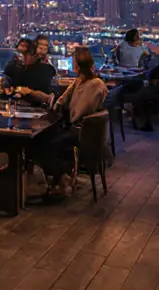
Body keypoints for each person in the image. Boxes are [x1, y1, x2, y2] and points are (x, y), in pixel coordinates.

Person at [36, 47, 109, 193]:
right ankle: (59, 178)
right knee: (40, 138)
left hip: (82, 133)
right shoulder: (81, 81)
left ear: (78, 64)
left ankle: (61, 176)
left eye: (73, 61)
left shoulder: (94, 85)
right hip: (76, 128)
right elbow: (61, 102)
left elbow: (78, 112)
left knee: (43, 144)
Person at [2, 38, 57, 104]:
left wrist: (28, 92)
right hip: (16, 104)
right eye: (19, 53)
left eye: (25, 54)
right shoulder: (14, 66)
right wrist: (6, 86)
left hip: (37, 106)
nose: (21, 57)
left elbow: (48, 96)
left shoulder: (46, 69)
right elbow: (6, 78)